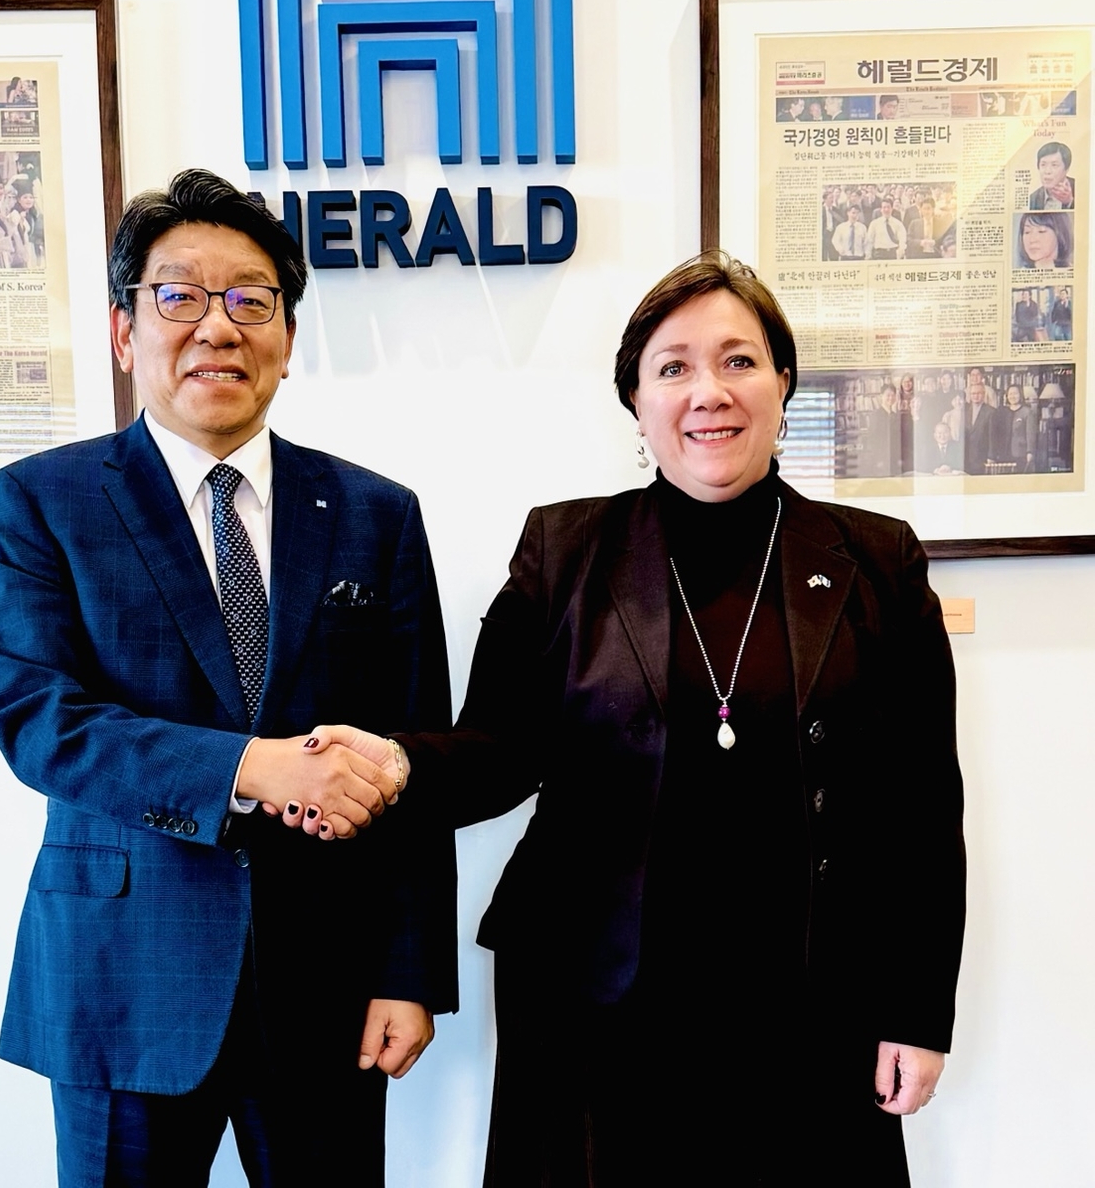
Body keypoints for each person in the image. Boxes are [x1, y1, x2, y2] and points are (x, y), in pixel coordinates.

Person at [292, 251, 965, 1186]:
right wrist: (398, 764)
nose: (709, 392)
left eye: (738, 360)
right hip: (590, 1001)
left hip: (810, 1002)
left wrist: (918, 1011)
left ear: (782, 382)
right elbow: (497, 749)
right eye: (674, 366)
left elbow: (921, 809)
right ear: (638, 402)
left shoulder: (875, 561)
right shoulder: (564, 548)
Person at [0, 169, 456, 1187]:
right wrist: (252, 767)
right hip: (123, 974)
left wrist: (409, 973)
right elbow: (42, 723)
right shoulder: (42, 503)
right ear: (124, 331)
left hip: (323, 981)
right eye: (178, 295)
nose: (215, 327)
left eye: (249, 300)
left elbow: (415, 751)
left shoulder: (377, 514)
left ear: (284, 335)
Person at [1001, 384, 1038, 473]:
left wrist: (1030, 452)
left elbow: (1030, 434)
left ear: (1020, 395)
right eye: (1010, 394)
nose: (1012, 396)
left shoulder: (1027, 412)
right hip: (1004, 453)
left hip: (1021, 453)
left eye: (1015, 393)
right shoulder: (1003, 412)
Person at [1028, 141, 1075, 210]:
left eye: (1054, 165)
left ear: (1066, 169)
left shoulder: (1079, 188)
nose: (1047, 171)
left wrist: (1070, 202)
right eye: (1043, 165)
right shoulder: (1033, 198)